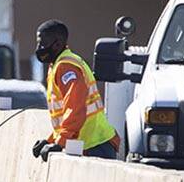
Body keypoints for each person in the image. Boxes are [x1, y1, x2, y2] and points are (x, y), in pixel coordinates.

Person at [30, 19, 120, 161]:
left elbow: (75, 108)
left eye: (43, 43)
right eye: (38, 43)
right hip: (91, 144)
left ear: (58, 44)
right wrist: (51, 140)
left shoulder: (66, 67)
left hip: (95, 145)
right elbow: (64, 114)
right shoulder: (57, 65)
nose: (39, 48)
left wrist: (60, 142)